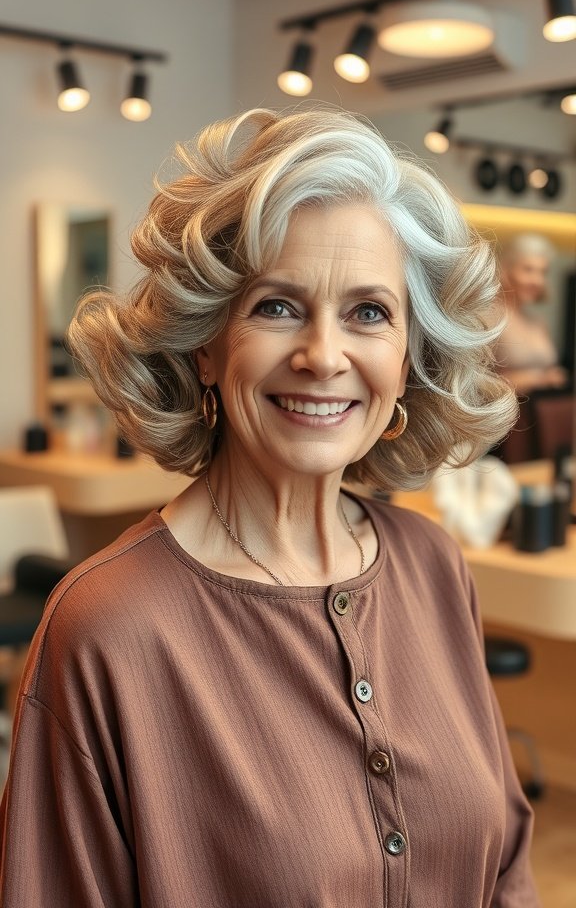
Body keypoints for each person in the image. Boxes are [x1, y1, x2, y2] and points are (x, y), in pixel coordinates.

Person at [0, 107, 540, 907]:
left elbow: (507, 872)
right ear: (206, 345)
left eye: (369, 312)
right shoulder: (108, 628)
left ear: (406, 357)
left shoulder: (432, 565)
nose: (324, 355)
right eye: (277, 306)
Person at [494, 232, 568, 395]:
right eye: (528, 270)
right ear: (506, 269)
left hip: (540, 415)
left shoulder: (537, 321)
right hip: (504, 416)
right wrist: (540, 379)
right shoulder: (487, 318)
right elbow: (474, 383)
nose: (538, 280)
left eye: (543, 272)